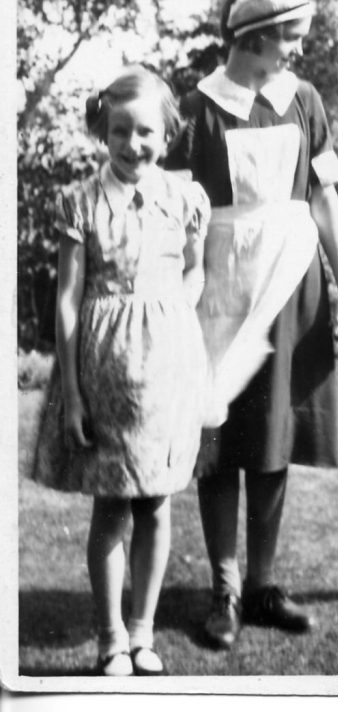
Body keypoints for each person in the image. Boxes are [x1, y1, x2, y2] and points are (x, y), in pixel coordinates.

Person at [165, 0, 338, 650]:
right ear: (255, 38)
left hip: (291, 283)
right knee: (219, 438)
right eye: (291, 38)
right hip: (219, 287)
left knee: (274, 436)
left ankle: (262, 584)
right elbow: (175, 213)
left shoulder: (303, 100)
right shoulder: (198, 109)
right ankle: (224, 588)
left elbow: (324, 200)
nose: (298, 50)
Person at [32, 65, 211, 676]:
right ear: (103, 133)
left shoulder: (184, 198)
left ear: (168, 134)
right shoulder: (81, 202)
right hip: (104, 368)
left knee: (157, 502)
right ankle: (110, 637)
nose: (133, 145)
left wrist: (173, 311)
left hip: (166, 368)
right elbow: (67, 298)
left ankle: (143, 633)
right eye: (120, 132)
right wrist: (72, 392)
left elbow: (195, 269)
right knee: (111, 506)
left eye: (146, 133)